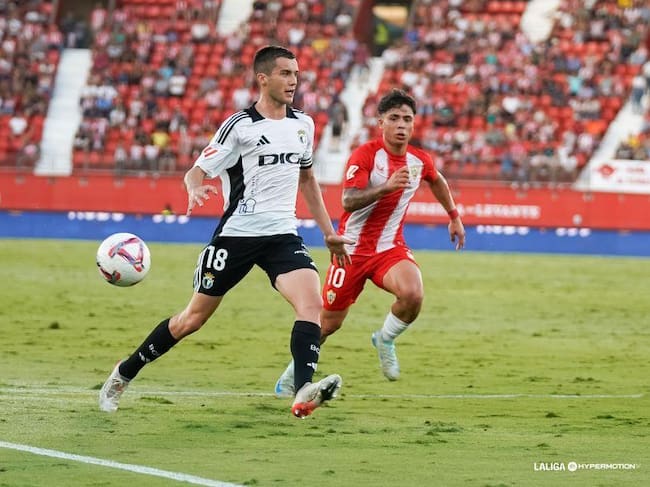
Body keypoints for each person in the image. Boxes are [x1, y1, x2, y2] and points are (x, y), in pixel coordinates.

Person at [99, 45, 353, 419]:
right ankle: (123, 373)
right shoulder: (240, 126)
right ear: (263, 78)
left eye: (296, 74)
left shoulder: (303, 124)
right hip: (236, 237)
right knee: (191, 320)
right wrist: (194, 187)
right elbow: (196, 171)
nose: (293, 81)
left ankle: (302, 391)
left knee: (312, 305)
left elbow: (308, 180)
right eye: (285, 73)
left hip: (282, 235)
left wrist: (329, 232)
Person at [274, 89, 465, 396]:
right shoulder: (365, 155)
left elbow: (437, 179)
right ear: (381, 123)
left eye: (407, 119)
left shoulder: (419, 160)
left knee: (413, 294)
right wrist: (385, 188)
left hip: (389, 248)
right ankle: (290, 376)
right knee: (327, 324)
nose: (401, 124)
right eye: (394, 118)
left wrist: (453, 216)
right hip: (350, 251)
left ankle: (385, 339)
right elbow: (348, 200)